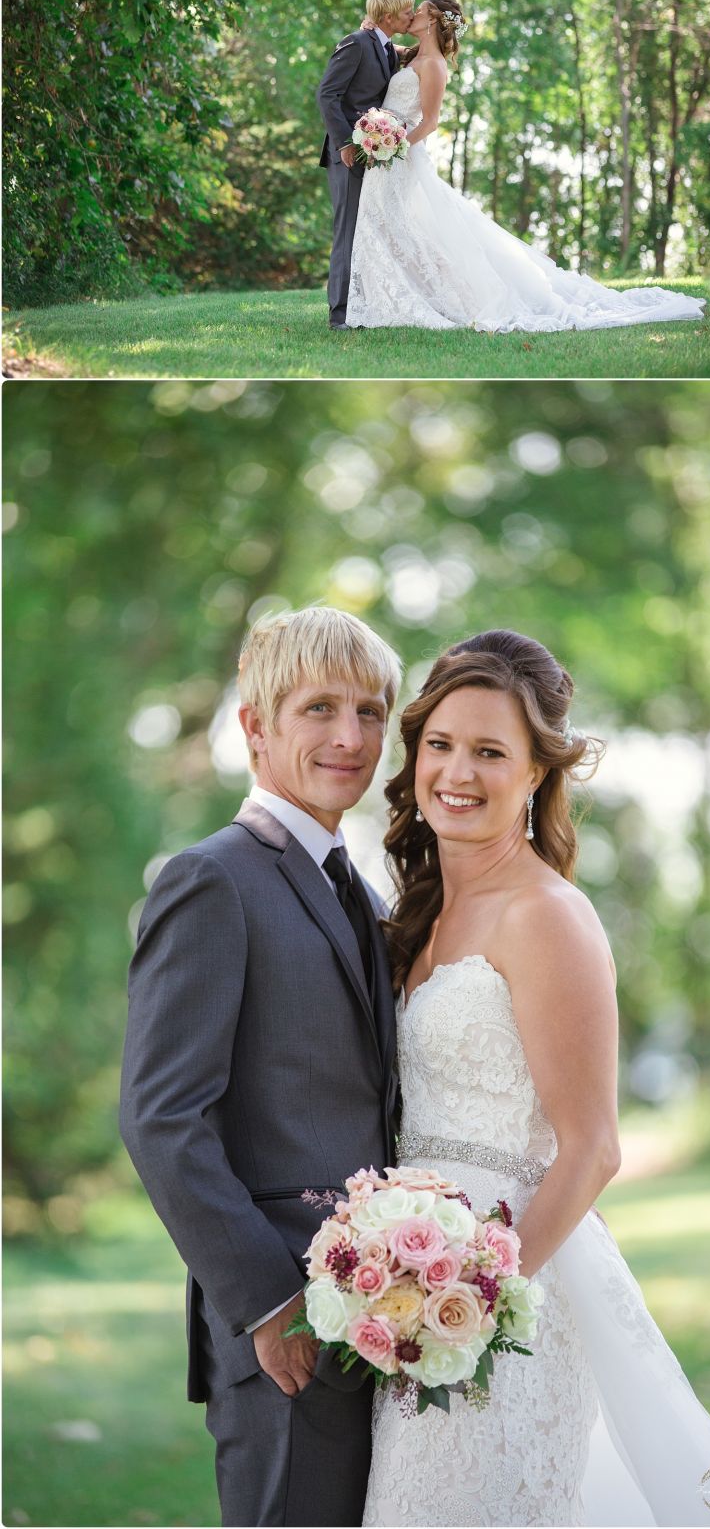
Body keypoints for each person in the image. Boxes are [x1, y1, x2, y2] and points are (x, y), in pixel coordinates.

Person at [362, 629, 710, 1528]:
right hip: (406, 1288)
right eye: (441, 744)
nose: (457, 772)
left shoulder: (548, 918)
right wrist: (402, 1293)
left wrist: (471, 1301)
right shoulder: (423, 907)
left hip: (504, 1299)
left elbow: (593, 1149)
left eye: (491, 752)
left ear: (537, 775)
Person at [119, 606, 402, 1528]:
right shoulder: (213, 880)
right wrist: (268, 1303)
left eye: (369, 712)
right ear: (255, 726)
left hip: (381, 1313)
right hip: (282, 1331)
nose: (350, 737)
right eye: (319, 708)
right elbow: (163, 1118)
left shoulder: (356, 887)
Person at [346, 0, 707, 332]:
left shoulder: (435, 66)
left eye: (419, 10)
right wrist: (370, 31)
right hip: (388, 158)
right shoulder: (409, 56)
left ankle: (433, 299)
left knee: (411, 230)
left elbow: (431, 122)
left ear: (433, 20)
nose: (412, 15)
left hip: (400, 158)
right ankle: (389, 298)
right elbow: (380, 48)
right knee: (392, 228)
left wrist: (392, 148)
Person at [316, 0, 415, 329]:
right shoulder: (356, 43)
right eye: (406, 11)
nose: (412, 16)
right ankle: (339, 314)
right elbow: (327, 94)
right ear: (388, 16)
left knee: (367, 229)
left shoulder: (387, 48)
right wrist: (344, 141)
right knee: (348, 230)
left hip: (374, 152)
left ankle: (362, 307)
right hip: (347, 154)